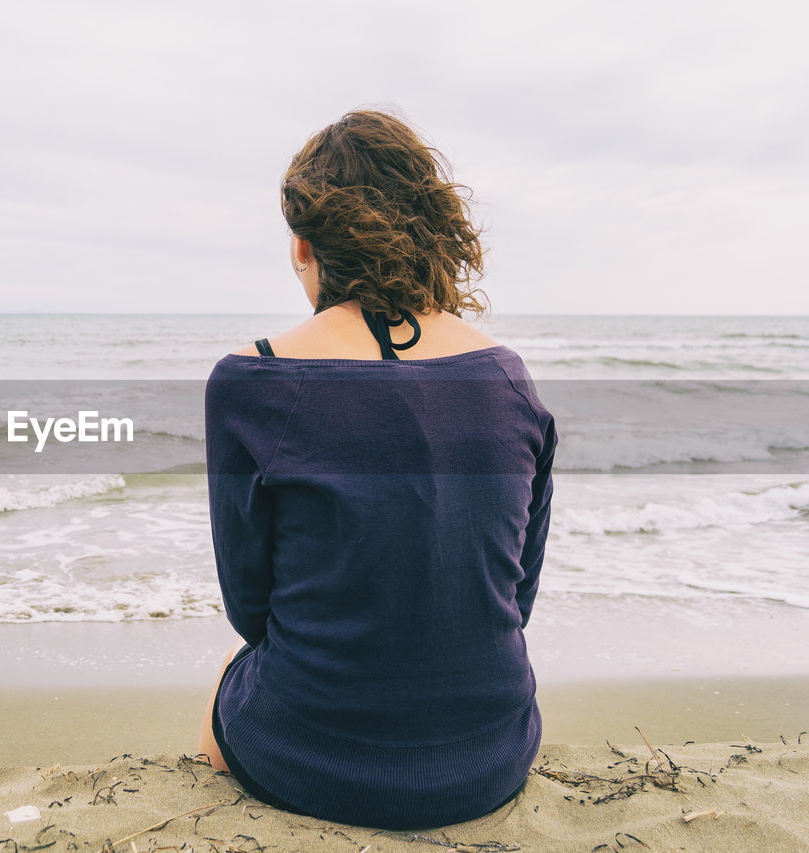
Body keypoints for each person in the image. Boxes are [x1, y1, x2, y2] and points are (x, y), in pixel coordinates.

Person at [197, 109, 557, 829]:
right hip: (491, 754)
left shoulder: (250, 381)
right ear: (432, 232)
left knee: (222, 695)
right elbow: (514, 599)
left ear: (303, 245)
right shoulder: (510, 377)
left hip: (311, 754)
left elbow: (250, 611)